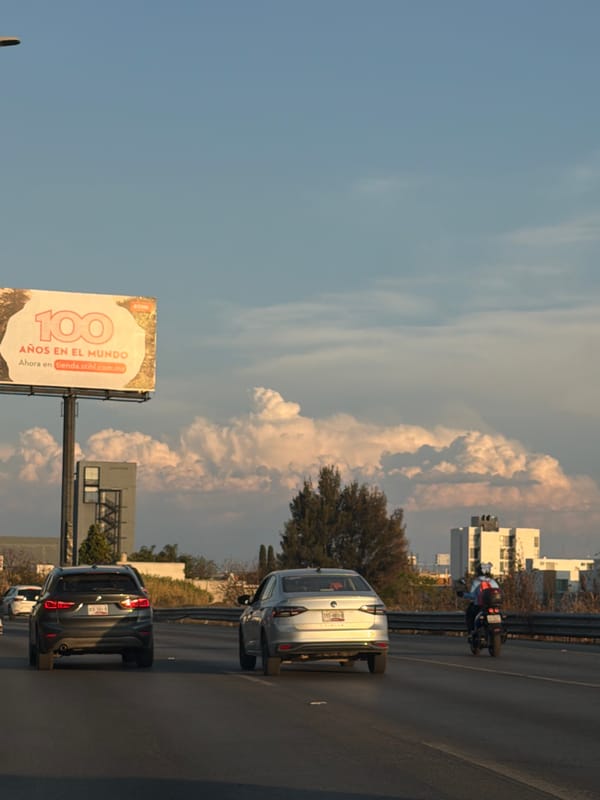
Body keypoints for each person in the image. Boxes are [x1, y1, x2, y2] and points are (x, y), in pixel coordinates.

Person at [462, 562, 501, 636]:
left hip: (479, 606)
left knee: (469, 613)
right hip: (494, 606)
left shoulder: (476, 581)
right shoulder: (493, 581)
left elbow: (472, 596)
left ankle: (471, 631)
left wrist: (463, 594)